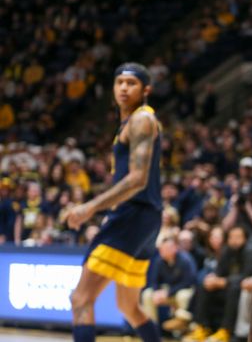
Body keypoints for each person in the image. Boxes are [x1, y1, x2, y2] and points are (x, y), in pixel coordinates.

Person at [63, 63, 163, 342]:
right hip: (146, 219)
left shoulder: (142, 120)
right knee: (128, 306)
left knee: (81, 298)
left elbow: (137, 180)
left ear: (146, 90)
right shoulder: (131, 122)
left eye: (131, 83)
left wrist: (90, 207)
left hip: (132, 215)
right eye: (119, 82)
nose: (123, 87)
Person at [141, 235, 197, 330]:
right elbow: (154, 281)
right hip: (167, 291)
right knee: (147, 294)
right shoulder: (159, 261)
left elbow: (188, 282)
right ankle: (151, 329)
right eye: (162, 248)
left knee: (183, 296)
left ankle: (184, 327)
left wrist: (168, 293)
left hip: (182, 290)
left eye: (166, 248)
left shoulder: (185, 260)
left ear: (175, 248)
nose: (162, 251)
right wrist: (157, 292)